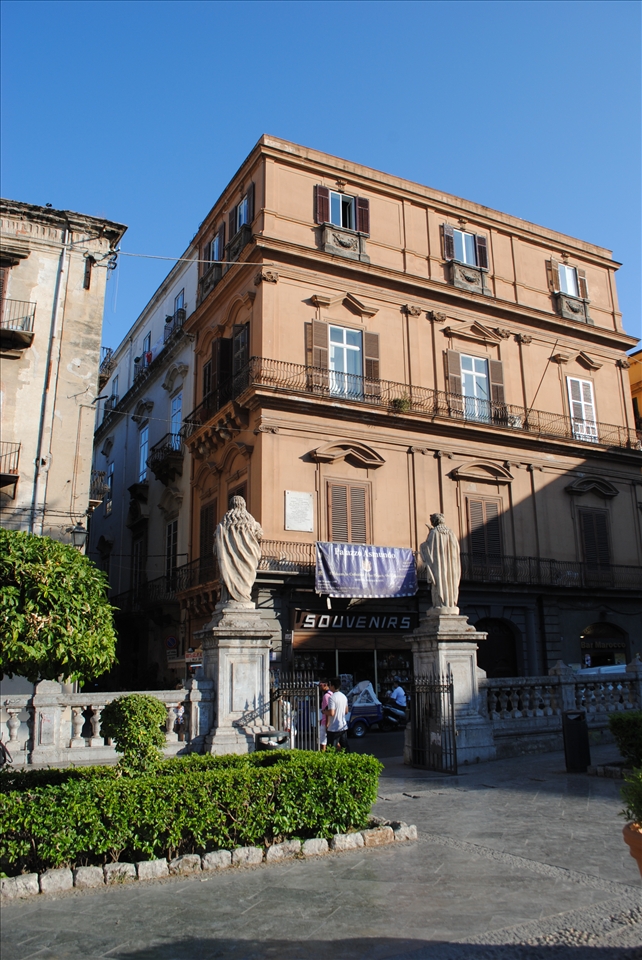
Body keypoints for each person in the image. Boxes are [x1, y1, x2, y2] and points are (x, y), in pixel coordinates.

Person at [324, 677, 349, 751]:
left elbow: (331, 713)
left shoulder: (332, 698)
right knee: (345, 748)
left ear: (332, 686)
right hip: (343, 726)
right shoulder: (344, 696)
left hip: (333, 728)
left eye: (330, 685)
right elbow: (346, 711)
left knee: (331, 749)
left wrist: (324, 712)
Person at [318, 679, 331, 752]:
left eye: (320, 685)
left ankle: (323, 755)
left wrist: (326, 724)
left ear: (325, 685)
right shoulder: (331, 694)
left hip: (325, 721)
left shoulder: (326, 696)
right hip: (328, 721)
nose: (319, 687)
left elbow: (327, 711)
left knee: (322, 742)